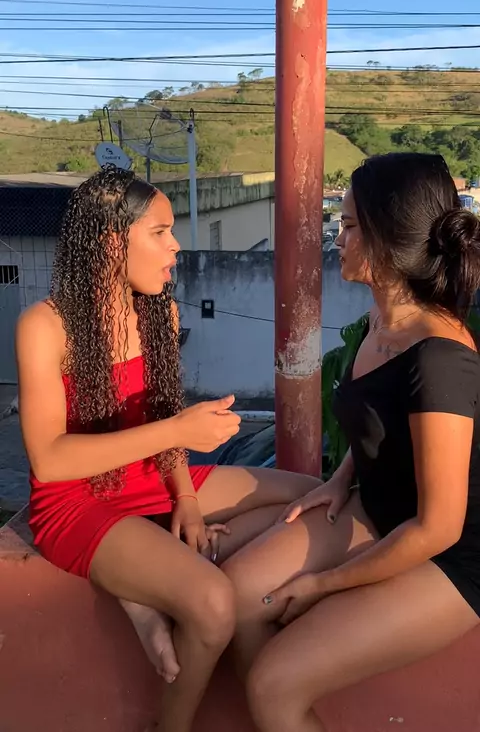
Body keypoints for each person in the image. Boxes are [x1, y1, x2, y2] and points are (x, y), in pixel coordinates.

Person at [15, 166, 316, 732]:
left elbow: (162, 417)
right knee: (213, 605)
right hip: (75, 502)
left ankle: (154, 578)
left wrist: (188, 501)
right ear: (112, 242)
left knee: (309, 495)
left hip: (149, 478)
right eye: (160, 232)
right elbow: (50, 461)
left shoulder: (158, 311)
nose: (176, 246)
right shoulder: (44, 326)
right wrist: (178, 433)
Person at [222, 152, 480, 732]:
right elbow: (377, 422)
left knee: (274, 683)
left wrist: (324, 584)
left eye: (351, 225)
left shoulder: (439, 359)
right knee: (239, 595)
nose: (338, 238)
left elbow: (439, 527)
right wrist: (341, 479)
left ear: (390, 237)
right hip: (384, 511)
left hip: (451, 554)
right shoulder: (379, 323)